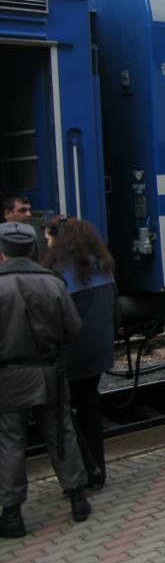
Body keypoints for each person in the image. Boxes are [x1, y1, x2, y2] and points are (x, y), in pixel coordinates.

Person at [0, 222, 92, 538]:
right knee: (60, 432)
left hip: (8, 377)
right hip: (50, 372)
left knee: (10, 443)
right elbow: (74, 329)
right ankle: (78, 499)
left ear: (2, 252)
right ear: (33, 249)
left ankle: (12, 515)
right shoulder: (52, 283)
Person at [42, 216, 117, 489]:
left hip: (71, 354)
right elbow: (114, 311)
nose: (46, 242)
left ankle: (87, 469)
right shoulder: (103, 266)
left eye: (48, 237)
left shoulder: (58, 272)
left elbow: (55, 318)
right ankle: (99, 470)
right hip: (98, 353)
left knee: (64, 415)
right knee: (89, 408)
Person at [2, 193, 47, 258]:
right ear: (7, 213)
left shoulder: (36, 235)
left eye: (29, 210)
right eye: (22, 210)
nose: (28, 214)